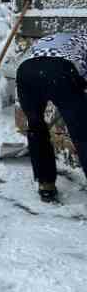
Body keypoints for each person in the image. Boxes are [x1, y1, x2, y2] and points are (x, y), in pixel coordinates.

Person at [14, 30, 87, 203]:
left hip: (26, 72)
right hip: (60, 71)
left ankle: (46, 185)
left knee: (36, 128)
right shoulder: (84, 40)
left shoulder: (52, 38)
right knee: (82, 133)